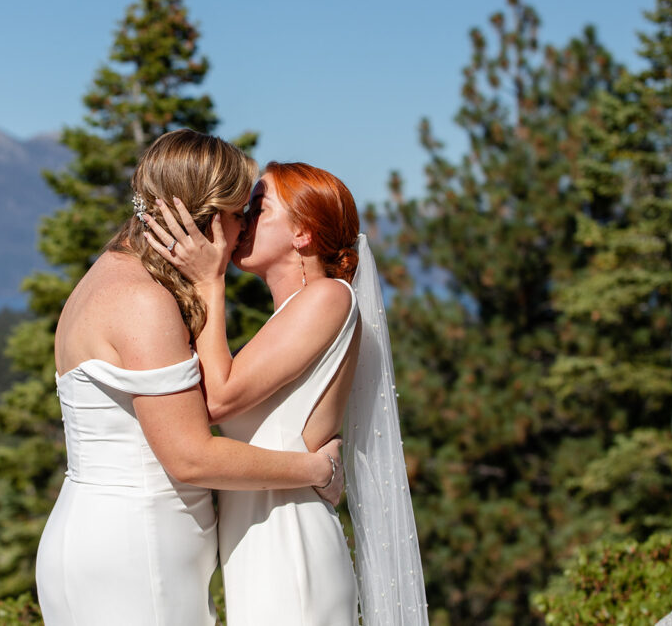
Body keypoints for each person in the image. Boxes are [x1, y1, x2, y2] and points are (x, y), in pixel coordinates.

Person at [34, 131, 344, 626]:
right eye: (239, 212)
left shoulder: (107, 277)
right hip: (138, 550)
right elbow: (191, 456)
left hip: (113, 540)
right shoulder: (141, 302)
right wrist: (317, 471)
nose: (243, 227)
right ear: (205, 216)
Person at [144, 161, 428, 625]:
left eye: (258, 208)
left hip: (290, 545)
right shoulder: (290, 317)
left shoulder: (328, 297)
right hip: (259, 544)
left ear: (304, 235)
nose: (241, 220)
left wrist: (209, 281)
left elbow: (218, 398)